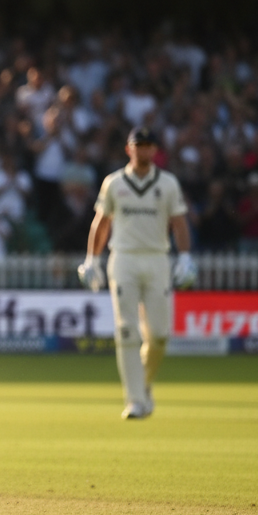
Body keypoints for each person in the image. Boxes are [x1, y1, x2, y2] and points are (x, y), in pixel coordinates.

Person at [78, 127, 196, 420]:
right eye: (138, 145)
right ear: (128, 149)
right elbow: (101, 223)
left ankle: (143, 384)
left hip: (156, 259)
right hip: (124, 259)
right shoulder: (114, 182)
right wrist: (92, 258)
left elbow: (179, 223)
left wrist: (184, 257)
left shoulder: (167, 183)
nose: (143, 150)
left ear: (155, 150)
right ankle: (134, 400)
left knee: (160, 335)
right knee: (127, 331)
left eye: (148, 145)